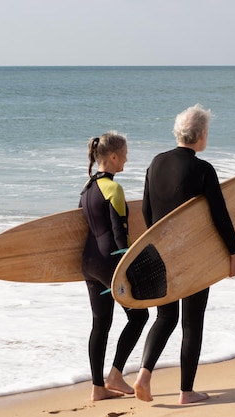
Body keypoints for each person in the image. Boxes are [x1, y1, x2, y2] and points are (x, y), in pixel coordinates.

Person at [133, 104, 235, 405]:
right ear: (202, 135)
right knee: (192, 322)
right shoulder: (203, 169)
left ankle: (144, 374)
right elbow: (220, 215)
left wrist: (157, 245)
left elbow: (146, 210)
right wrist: (234, 253)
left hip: (158, 253)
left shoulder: (155, 163)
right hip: (193, 257)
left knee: (165, 315)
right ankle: (186, 392)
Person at [79, 131, 149, 401]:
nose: (126, 161)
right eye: (126, 156)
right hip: (110, 262)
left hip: (89, 264)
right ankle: (116, 375)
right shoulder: (114, 189)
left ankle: (98, 387)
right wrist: (131, 265)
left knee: (101, 324)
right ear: (113, 156)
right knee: (139, 316)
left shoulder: (86, 189)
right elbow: (121, 234)